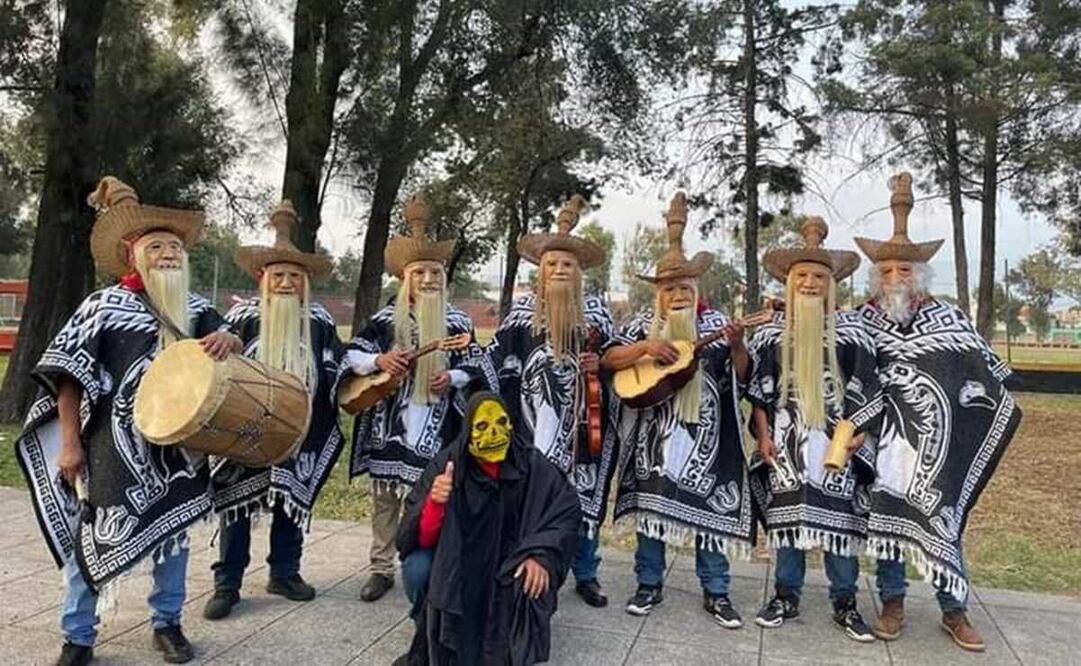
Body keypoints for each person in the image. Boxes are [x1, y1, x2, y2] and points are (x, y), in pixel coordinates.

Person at [14, 177, 241, 666]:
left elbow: (232, 346)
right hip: (109, 448)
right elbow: (67, 378)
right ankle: (77, 636)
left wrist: (231, 342)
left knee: (174, 539)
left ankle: (168, 624)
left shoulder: (198, 309)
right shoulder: (101, 307)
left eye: (175, 246)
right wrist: (69, 445)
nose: (168, 253)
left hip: (180, 451)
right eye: (155, 245)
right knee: (91, 540)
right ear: (130, 252)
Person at [855, 172, 1022, 652]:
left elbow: (986, 378)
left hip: (939, 447)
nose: (894, 279)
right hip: (886, 447)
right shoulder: (862, 320)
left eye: (903, 271)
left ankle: (955, 610)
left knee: (942, 521)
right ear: (875, 276)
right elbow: (837, 359)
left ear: (919, 275)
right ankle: (892, 603)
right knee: (886, 521)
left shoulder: (949, 319)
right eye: (885, 271)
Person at [602, 192, 755, 627]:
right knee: (651, 512)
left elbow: (744, 378)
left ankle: (717, 591)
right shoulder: (639, 327)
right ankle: (648, 584)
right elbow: (611, 361)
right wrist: (646, 349)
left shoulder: (717, 324)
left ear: (696, 289)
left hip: (708, 435)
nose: (678, 295)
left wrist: (738, 343)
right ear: (659, 294)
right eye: (670, 288)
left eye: (685, 287)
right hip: (654, 436)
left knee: (709, 512)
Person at [343, 194, 494, 603]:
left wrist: (456, 375)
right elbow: (351, 354)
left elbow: (480, 366)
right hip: (389, 423)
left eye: (434, 271)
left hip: (438, 421)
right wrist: (380, 358)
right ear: (404, 278)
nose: (428, 279)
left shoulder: (458, 321)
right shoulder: (383, 319)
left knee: (434, 497)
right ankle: (380, 567)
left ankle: (430, 563)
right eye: (420, 272)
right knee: (384, 500)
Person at [202, 201, 346, 620]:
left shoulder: (318, 319)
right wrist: (225, 340)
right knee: (237, 505)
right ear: (262, 278)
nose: (286, 283)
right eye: (278, 275)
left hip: (299, 429)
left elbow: (339, 359)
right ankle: (227, 583)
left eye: (294, 277)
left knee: (291, 502)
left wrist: (373, 366)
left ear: (306, 283)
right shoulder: (243, 315)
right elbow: (221, 343)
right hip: (246, 431)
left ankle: (284, 572)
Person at [746, 217, 883, 643]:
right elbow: (761, 393)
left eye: (818, 277)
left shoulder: (852, 332)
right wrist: (764, 437)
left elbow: (867, 388)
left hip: (835, 442)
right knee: (788, 523)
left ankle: (846, 602)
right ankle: (786, 596)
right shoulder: (771, 333)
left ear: (830, 284)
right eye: (801, 275)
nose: (809, 283)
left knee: (839, 526)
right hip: (785, 443)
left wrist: (859, 431)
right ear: (790, 282)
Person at [486, 195, 618, 608]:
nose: (560, 270)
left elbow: (616, 359)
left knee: (581, 497)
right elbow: (497, 363)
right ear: (540, 272)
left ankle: (586, 572)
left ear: (579, 273)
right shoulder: (521, 314)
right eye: (552, 265)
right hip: (529, 427)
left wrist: (601, 362)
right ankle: (529, 564)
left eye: (568, 265)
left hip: (583, 424)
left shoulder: (596, 314)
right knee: (528, 497)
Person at [395, 391, 581, 665]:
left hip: (512, 558)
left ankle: (513, 640)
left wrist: (541, 555)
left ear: (511, 425)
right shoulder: (447, 464)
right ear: (468, 431)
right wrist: (435, 502)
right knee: (417, 568)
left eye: (500, 423)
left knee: (531, 577)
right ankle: (430, 623)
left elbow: (565, 511)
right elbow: (419, 539)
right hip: (459, 560)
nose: (494, 434)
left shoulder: (529, 462)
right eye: (482, 426)